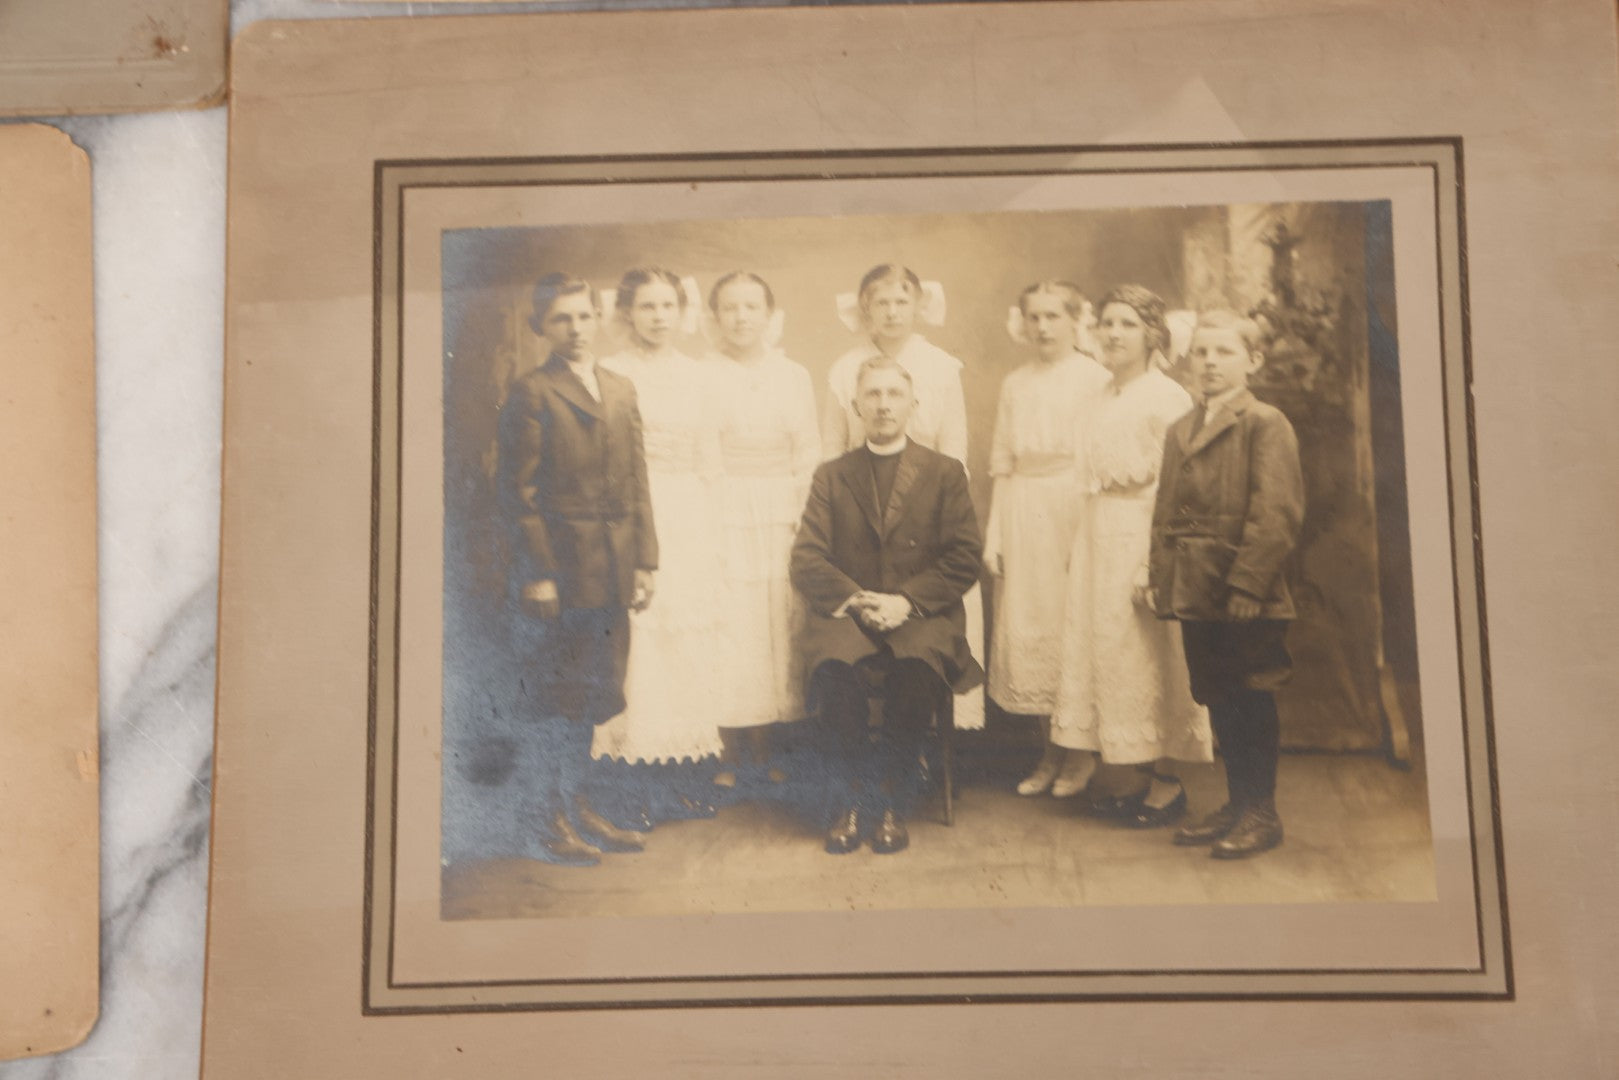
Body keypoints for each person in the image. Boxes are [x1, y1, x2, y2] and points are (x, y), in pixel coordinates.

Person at [495, 271, 657, 865]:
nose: (576, 329)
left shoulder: (619, 386)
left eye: (584, 316)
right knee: (556, 695)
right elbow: (519, 493)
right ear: (542, 326)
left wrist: (644, 561)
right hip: (561, 572)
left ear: (599, 318)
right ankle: (545, 818)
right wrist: (537, 574)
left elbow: (638, 479)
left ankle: (578, 804)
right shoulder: (532, 392)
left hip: (612, 569)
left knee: (594, 692)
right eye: (561, 318)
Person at [790, 361, 983, 855]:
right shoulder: (832, 476)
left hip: (919, 614)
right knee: (834, 666)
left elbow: (964, 558)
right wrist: (856, 600)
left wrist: (905, 602)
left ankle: (896, 799)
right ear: (856, 407)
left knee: (917, 665)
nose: (882, 404)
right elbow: (807, 557)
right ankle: (850, 801)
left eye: (894, 394)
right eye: (872, 395)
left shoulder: (944, 473)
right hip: (850, 613)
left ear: (913, 406)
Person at [1048, 284, 1212, 825]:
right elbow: (1090, 479)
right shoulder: (1099, 395)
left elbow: (1182, 489)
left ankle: (1167, 783)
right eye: (1108, 324)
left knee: (1150, 653)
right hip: (1099, 533)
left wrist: (1154, 563)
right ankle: (1134, 776)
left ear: (1152, 336)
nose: (1114, 334)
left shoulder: (1167, 398)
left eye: (1127, 325)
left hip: (1144, 532)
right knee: (1111, 655)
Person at [1149, 309, 1305, 858]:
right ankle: (1238, 804)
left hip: (1245, 596)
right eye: (1202, 353)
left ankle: (1262, 811)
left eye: (1225, 353)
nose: (1210, 362)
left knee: (1251, 695)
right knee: (1217, 695)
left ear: (1253, 362)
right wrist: (1161, 579)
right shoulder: (1181, 428)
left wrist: (1248, 585)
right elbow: (1166, 512)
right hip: (1197, 590)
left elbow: (1276, 514)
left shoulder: (1265, 423)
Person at [821, 263, 986, 733]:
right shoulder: (843, 370)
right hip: (859, 519)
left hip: (926, 526)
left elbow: (955, 451)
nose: (892, 312)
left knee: (920, 642)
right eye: (881, 303)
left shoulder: (941, 367)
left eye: (901, 301)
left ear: (918, 306)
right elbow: (831, 452)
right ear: (865, 310)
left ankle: (916, 753)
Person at [591, 267, 726, 820]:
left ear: (681, 310)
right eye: (646, 307)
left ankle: (682, 778)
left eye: (667, 305)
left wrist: (711, 530)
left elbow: (710, 461)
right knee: (638, 642)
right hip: (630, 517)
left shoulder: (700, 375)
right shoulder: (609, 373)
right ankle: (631, 787)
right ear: (626, 314)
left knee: (685, 645)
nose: (659, 317)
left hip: (688, 517)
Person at [981, 281, 1112, 796]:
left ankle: (1079, 752)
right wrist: (996, 534)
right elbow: (1002, 462)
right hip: (1023, 509)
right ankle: (1047, 752)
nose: (1043, 327)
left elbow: (1101, 456)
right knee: (1030, 622)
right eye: (1034, 317)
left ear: (1075, 320)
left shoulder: (1096, 378)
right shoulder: (1015, 382)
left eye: (1054, 316)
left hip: (1073, 506)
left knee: (1070, 626)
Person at [702, 271, 820, 787]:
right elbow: (702, 450)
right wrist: (712, 511)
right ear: (715, 317)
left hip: (781, 509)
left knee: (781, 619)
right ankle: (733, 747)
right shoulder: (702, 374)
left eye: (752, 307)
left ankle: (779, 746)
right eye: (730, 307)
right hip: (724, 506)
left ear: (770, 316)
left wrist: (801, 512)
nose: (741, 317)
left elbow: (809, 449)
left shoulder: (793, 374)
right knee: (733, 621)